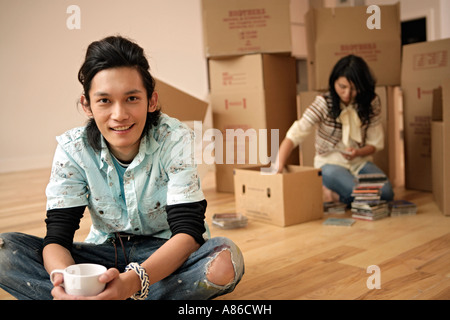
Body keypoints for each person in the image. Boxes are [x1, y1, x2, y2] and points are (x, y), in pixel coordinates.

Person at [0, 35, 244, 300]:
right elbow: (57, 238)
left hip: (165, 253)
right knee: (4, 252)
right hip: (105, 252)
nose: (119, 115)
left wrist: (131, 282)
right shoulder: (73, 150)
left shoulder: (176, 139)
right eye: (104, 100)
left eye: (131, 98)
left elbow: (188, 233)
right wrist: (68, 284)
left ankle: (119, 294)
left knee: (224, 261)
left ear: (151, 101)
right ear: (87, 105)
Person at [275, 54, 394, 205]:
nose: (347, 94)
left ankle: (336, 196)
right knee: (356, 190)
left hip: (360, 162)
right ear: (334, 82)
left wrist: (358, 153)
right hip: (329, 164)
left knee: (387, 193)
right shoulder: (324, 103)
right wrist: (278, 165)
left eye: (354, 89)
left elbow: (374, 144)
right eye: (342, 87)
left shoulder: (371, 102)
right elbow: (295, 134)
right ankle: (341, 193)